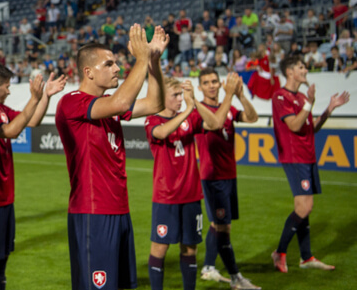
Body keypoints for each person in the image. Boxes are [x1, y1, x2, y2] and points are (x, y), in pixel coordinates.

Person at [55, 24, 168, 290]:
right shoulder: (72, 102)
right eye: (109, 64)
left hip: (119, 210)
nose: (117, 68)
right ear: (88, 72)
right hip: (93, 213)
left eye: (117, 63)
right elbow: (120, 103)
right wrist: (140, 58)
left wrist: (152, 62)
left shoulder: (107, 105)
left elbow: (155, 104)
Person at [0, 64, 67, 290]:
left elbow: (31, 121)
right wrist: (34, 98)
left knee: (0, 264)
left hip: (5, 200)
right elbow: (11, 131)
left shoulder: (1, 110)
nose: (9, 92)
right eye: (8, 87)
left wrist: (45, 97)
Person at [144, 74, 238, 290]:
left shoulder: (191, 116)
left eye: (180, 94)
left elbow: (215, 122)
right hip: (166, 197)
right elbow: (162, 132)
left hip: (191, 196)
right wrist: (187, 110)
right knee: (160, 248)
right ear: (161, 97)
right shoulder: (152, 119)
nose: (180, 98)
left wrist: (193, 103)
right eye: (175, 95)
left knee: (190, 249)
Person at [271, 55, 350, 273]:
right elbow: (295, 126)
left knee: (305, 209)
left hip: (308, 157)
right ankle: (280, 252)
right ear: (290, 72)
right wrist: (309, 103)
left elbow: (310, 127)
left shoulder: (302, 97)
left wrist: (329, 109)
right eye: (301, 67)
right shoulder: (280, 96)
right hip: (295, 158)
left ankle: (306, 257)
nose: (306, 70)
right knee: (304, 207)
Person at [195, 69, 261, 289]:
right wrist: (229, 95)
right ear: (200, 87)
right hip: (212, 177)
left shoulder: (229, 107)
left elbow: (252, 117)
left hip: (229, 175)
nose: (212, 85)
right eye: (206, 83)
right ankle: (235, 278)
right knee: (222, 227)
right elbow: (216, 122)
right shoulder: (200, 111)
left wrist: (240, 95)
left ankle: (208, 267)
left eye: (215, 81)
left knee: (221, 225)